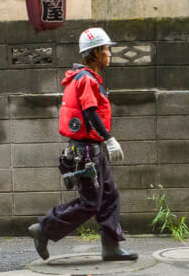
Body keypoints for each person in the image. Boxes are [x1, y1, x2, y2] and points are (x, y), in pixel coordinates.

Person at [28, 27, 137, 262]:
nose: (110, 53)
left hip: (90, 150)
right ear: (96, 52)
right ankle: (44, 229)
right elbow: (89, 113)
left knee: (109, 196)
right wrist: (109, 138)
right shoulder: (86, 80)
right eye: (107, 49)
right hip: (86, 151)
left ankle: (111, 247)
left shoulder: (86, 77)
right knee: (90, 203)